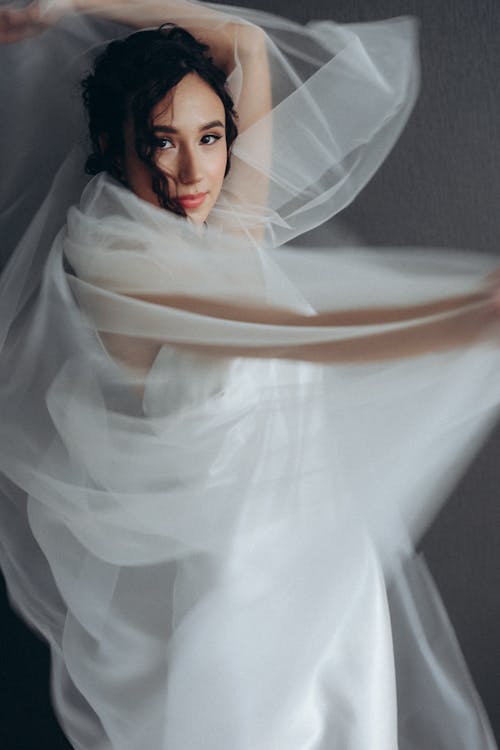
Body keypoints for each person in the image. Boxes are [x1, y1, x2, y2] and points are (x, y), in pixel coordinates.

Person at [0, 2, 499, 748]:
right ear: (112, 143)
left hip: (318, 585)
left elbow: (245, 42)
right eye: (160, 143)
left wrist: (75, 1)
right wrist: (466, 319)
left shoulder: (216, 235)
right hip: (236, 617)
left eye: (211, 137)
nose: (194, 171)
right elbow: (294, 337)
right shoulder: (115, 267)